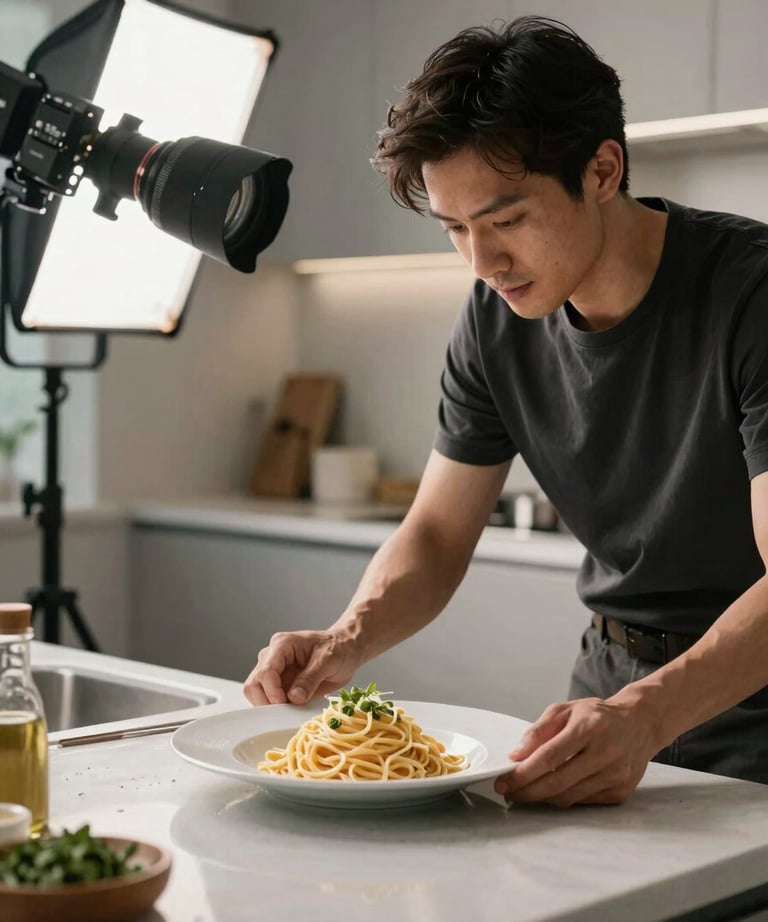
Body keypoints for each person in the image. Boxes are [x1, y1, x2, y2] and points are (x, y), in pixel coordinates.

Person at [244, 16, 768, 806]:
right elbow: (435, 532)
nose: (482, 262)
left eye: (506, 220)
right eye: (456, 228)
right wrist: (345, 637)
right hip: (611, 684)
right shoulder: (495, 322)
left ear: (601, 169)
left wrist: (643, 715)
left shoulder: (751, 296)